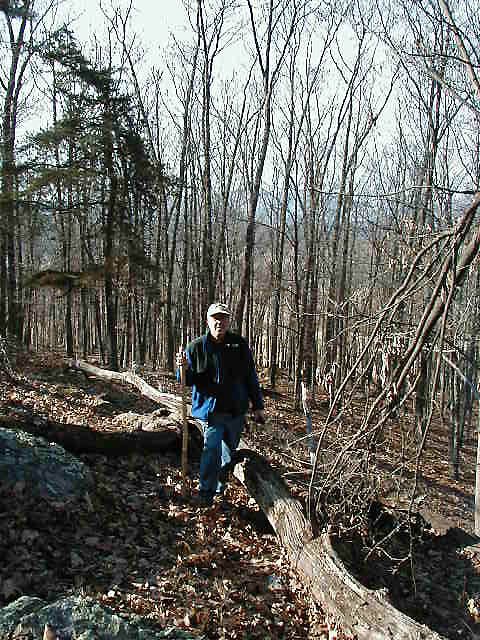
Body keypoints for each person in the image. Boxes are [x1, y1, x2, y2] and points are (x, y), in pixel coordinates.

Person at [176, 302, 265, 507]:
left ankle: (219, 487)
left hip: (235, 412)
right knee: (211, 449)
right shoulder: (196, 347)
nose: (219, 322)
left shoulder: (239, 345)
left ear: (228, 321)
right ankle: (205, 493)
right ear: (208, 321)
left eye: (223, 318)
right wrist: (182, 369)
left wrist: (257, 405)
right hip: (211, 412)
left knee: (227, 455)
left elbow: (250, 376)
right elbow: (186, 380)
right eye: (215, 318)